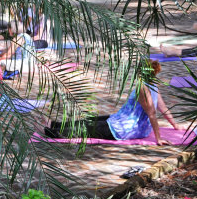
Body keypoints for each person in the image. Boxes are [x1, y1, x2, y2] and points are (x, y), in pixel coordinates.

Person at [45, 60, 184, 145]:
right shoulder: (153, 84)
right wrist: (175, 125)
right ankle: (56, 124)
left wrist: (158, 139)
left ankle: (53, 132)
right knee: (92, 119)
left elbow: (153, 113)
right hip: (124, 122)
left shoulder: (144, 88)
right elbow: (163, 108)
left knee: (89, 128)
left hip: (126, 129)